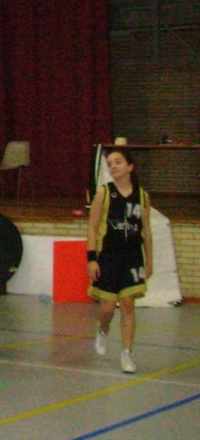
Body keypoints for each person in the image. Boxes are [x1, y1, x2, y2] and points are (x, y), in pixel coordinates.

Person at [88, 148, 152, 374]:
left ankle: (127, 353)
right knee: (107, 308)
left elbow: (146, 230)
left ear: (130, 167)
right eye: (110, 163)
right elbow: (93, 227)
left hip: (132, 257)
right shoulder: (104, 193)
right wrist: (92, 258)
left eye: (118, 162)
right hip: (108, 257)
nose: (113, 166)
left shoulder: (142, 196)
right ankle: (103, 329)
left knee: (127, 304)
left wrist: (149, 260)